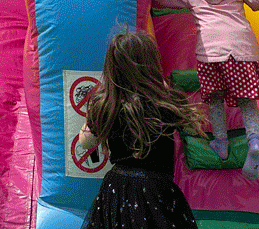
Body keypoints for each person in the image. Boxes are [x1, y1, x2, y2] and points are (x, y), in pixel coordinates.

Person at [152, 0, 259, 180]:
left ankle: (220, 143)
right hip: (242, 49)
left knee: (214, 99)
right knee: (247, 101)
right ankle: (254, 142)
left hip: (211, 52)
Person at [78, 30, 202, 229]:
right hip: (156, 189)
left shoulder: (108, 105)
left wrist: (93, 115)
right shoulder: (164, 102)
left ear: (112, 68)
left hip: (118, 189)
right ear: (152, 66)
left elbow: (85, 142)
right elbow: (192, 127)